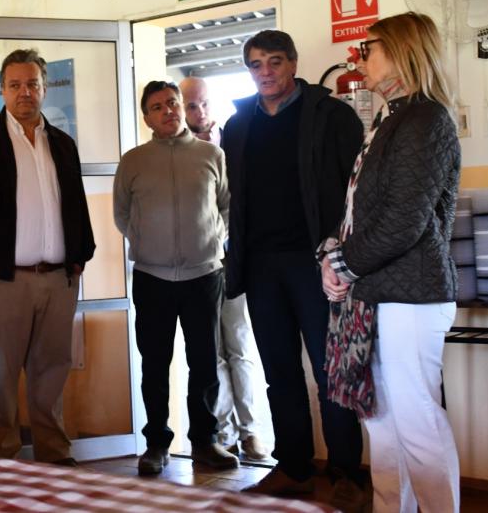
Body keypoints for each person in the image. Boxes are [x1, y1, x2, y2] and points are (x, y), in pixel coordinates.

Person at [321, 12, 461, 513]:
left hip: (412, 294)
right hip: (380, 292)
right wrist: (335, 258)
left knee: (417, 418)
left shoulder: (425, 119)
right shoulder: (392, 118)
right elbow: (362, 213)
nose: (360, 56)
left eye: (370, 46)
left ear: (403, 52)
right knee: (381, 420)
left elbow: (405, 221)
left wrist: (342, 265)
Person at [222, 30, 366, 509]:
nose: (265, 72)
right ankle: (295, 468)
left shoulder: (331, 115)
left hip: (318, 263)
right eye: (256, 64)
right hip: (261, 265)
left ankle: (346, 473)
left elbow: (356, 194)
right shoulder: (238, 125)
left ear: (294, 63)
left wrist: (343, 256)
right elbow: (235, 202)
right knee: (278, 371)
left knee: (331, 373)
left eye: (275, 62)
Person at [0, 48, 95, 465]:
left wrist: (79, 258)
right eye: (15, 85)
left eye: (33, 84)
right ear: (1, 90)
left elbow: (75, 204)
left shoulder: (62, 142)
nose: (25, 92)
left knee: (51, 372)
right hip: (5, 280)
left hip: (58, 279)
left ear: (45, 87)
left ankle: (54, 456)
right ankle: (0, 461)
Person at [114, 81, 238, 475]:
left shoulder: (211, 154)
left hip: (204, 275)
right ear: (146, 117)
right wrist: (147, 243)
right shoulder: (133, 160)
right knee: (155, 363)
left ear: (181, 107)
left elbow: (226, 207)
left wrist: (214, 242)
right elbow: (122, 214)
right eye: (156, 107)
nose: (167, 110)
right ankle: (156, 444)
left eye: (172, 103)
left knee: (204, 363)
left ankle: (205, 442)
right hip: (153, 277)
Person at [180, 76, 270, 461]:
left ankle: (251, 433)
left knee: (240, 348)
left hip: (233, 261)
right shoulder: (177, 152)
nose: (198, 112)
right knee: (210, 353)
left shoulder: (233, 140)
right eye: (190, 105)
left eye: (202, 103)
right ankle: (225, 433)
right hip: (197, 267)